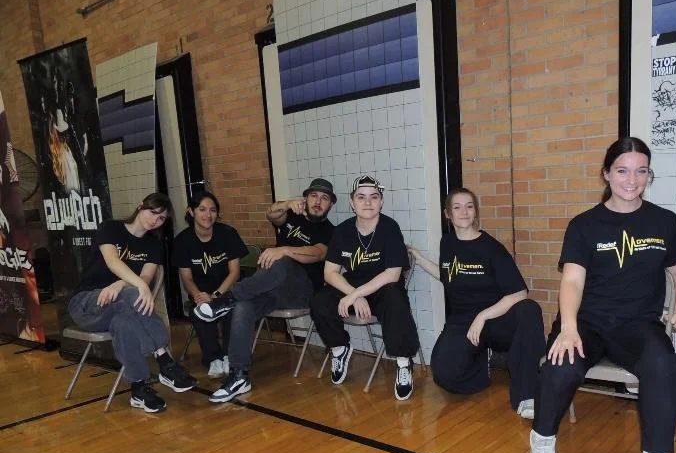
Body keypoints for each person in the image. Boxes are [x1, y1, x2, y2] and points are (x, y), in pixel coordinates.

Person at [529, 137, 676, 453]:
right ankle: (542, 440)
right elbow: (572, 282)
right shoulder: (584, 225)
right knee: (561, 366)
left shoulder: (665, 221)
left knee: (663, 366)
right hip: (588, 321)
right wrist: (568, 328)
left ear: (649, 175)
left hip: (638, 325)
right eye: (622, 170)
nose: (632, 179)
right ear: (606, 174)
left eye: (641, 170)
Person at [195, 178, 336, 402]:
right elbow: (271, 213)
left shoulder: (330, 231)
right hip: (270, 288)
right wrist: (288, 203)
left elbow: (318, 253)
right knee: (243, 307)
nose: (318, 201)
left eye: (325, 198)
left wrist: (285, 250)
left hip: (302, 292)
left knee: (281, 260)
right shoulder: (291, 217)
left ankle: (225, 299)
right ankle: (239, 375)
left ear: (330, 206)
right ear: (305, 198)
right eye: (314, 196)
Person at [410, 188, 545, 416]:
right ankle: (483, 365)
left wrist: (483, 316)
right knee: (444, 375)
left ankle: (527, 395)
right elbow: (448, 275)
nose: (464, 212)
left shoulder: (491, 248)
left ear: (476, 212)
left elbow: (520, 292)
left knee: (530, 310)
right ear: (447, 214)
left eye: (469, 206)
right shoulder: (448, 243)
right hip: (463, 321)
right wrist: (420, 259)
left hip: (496, 318)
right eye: (457, 207)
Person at [67, 192, 196, 413]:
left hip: (120, 308)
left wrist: (120, 285)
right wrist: (138, 286)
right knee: (133, 295)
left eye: (161, 218)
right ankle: (164, 358)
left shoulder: (154, 245)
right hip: (87, 304)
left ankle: (138, 389)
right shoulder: (111, 228)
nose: (155, 220)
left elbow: (145, 279)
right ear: (140, 206)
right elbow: (112, 261)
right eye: (153, 212)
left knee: (124, 323)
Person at [310, 175, 420, 401]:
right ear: (352, 202)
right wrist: (353, 293)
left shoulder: (390, 228)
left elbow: (393, 274)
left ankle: (403, 362)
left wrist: (356, 295)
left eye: (374, 197)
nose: (367, 202)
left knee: (395, 299)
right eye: (361, 197)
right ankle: (340, 349)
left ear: (381, 202)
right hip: (353, 286)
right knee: (320, 302)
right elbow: (329, 273)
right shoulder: (342, 231)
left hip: (383, 288)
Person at [172, 190, 247, 377]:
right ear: (191, 212)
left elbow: (235, 272)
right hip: (200, 293)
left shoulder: (228, 234)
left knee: (233, 308)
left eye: (212, 210)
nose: (208, 215)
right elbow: (186, 278)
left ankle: (230, 355)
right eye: (202, 209)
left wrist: (216, 296)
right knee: (200, 311)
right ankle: (213, 358)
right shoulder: (182, 241)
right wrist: (199, 296)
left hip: (227, 291)